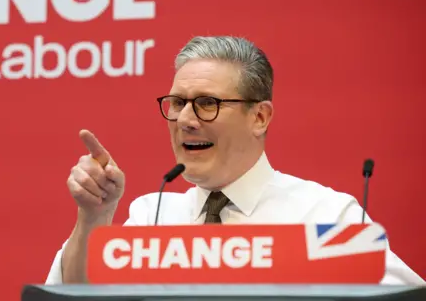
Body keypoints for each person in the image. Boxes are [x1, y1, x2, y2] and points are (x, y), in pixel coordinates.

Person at [44, 36, 425, 285]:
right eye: (177, 104)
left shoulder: (325, 215)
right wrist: (95, 216)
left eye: (207, 104)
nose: (186, 120)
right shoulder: (151, 216)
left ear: (259, 117)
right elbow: (77, 294)